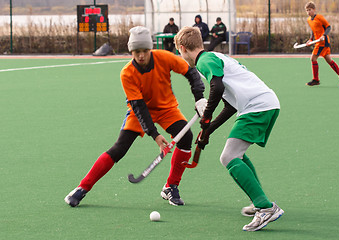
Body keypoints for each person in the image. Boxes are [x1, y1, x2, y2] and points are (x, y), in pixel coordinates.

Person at [64, 26, 207, 207]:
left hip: (166, 108)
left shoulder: (164, 57)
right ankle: (82, 188)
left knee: (186, 137)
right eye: (136, 52)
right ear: (131, 51)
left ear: (150, 49)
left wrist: (199, 98)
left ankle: (171, 186)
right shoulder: (127, 73)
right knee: (119, 149)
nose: (141, 56)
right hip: (139, 110)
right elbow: (139, 107)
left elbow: (191, 73)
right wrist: (155, 135)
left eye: (145, 51)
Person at [174, 26, 284, 231]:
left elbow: (217, 87)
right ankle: (259, 200)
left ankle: (265, 208)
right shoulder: (215, 57)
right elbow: (230, 104)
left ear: (182, 48)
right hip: (263, 103)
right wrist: (208, 130)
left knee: (229, 157)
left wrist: (206, 118)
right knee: (237, 155)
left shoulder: (203, 61)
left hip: (257, 106)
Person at [305, 1, 339, 86]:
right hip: (318, 42)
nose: (308, 12)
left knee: (313, 59)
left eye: (310, 10)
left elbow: (328, 27)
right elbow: (313, 30)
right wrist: (310, 39)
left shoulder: (320, 17)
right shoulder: (309, 20)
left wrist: (324, 35)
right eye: (307, 10)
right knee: (329, 60)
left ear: (314, 9)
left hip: (323, 42)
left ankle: (316, 80)